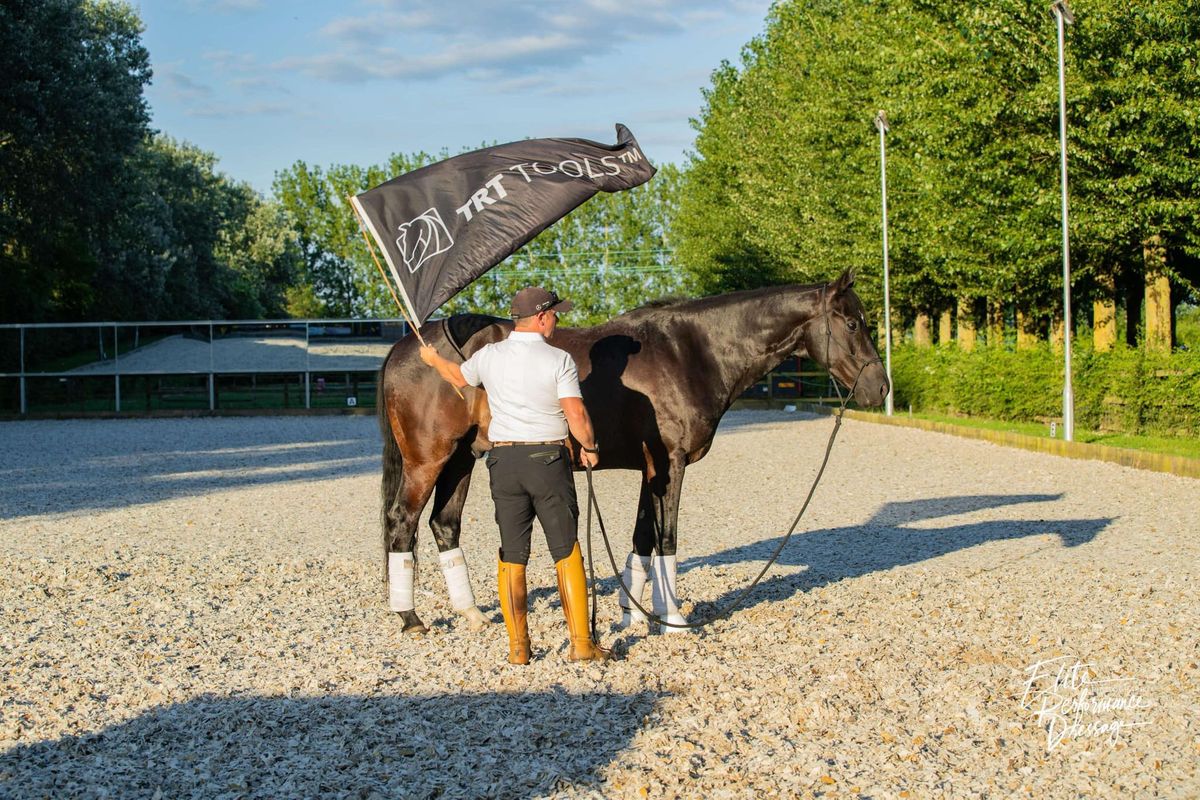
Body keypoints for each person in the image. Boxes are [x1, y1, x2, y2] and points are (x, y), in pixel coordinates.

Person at [419, 287, 610, 664]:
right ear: (540, 318)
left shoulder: (489, 355)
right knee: (565, 549)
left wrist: (432, 358)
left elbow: (458, 377)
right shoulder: (559, 360)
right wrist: (590, 447)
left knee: (512, 554)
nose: (557, 319)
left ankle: (519, 649)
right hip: (547, 459)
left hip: (503, 463)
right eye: (554, 314)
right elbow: (576, 415)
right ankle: (582, 644)